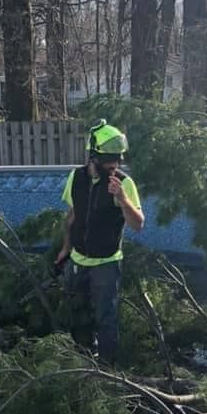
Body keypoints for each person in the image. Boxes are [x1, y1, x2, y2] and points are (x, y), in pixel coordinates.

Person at [55, 120, 144, 363]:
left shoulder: (124, 184)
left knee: (106, 318)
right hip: (77, 261)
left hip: (106, 263)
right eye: (109, 161)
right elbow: (71, 216)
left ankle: (106, 369)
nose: (114, 165)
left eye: (118, 160)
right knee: (78, 314)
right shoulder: (76, 177)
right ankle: (83, 362)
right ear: (93, 157)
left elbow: (138, 224)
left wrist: (123, 199)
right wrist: (65, 248)